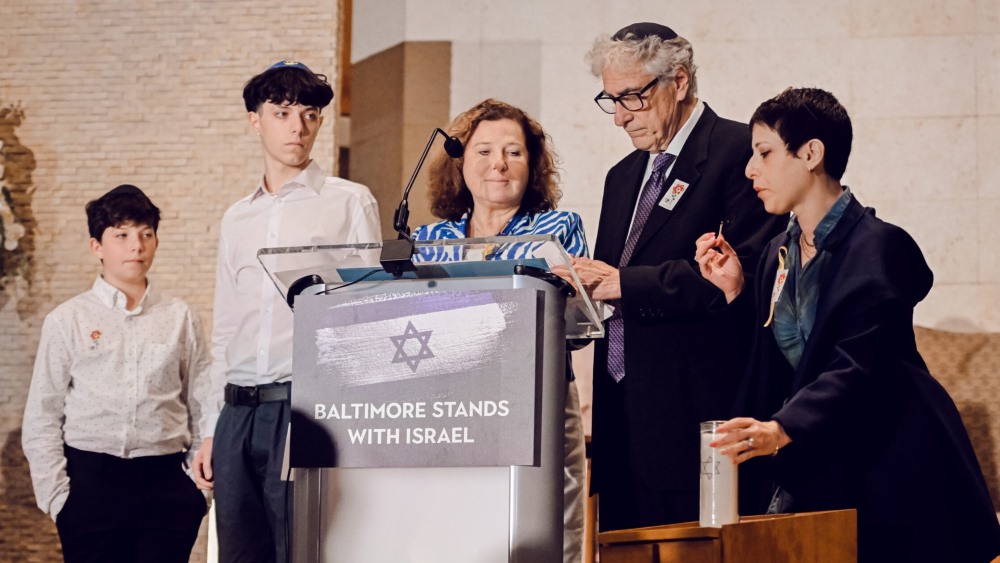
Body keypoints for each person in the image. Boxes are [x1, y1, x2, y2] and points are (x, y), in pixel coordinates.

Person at [697, 87, 1000, 563]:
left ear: (811, 153)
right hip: (820, 455)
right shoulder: (780, 252)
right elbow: (773, 364)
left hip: (893, 453)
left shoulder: (880, 247)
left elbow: (859, 363)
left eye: (764, 153)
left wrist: (781, 429)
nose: (750, 170)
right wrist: (737, 291)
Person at [576, 22, 785, 531]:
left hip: (698, 406)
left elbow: (745, 276)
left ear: (680, 81)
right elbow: (609, 281)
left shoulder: (741, 152)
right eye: (612, 99)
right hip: (621, 410)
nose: (621, 116)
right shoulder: (623, 175)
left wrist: (625, 283)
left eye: (633, 97)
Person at [191, 60, 381, 563]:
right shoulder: (238, 216)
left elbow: (365, 316)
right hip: (236, 415)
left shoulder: (349, 202)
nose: (297, 127)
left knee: (301, 551)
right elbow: (225, 324)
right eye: (281, 113)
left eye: (310, 114)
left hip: (304, 408)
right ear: (256, 120)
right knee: (237, 554)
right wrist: (211, 428)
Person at [410, 98, 588, 563]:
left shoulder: (559, 230)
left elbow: (579, 322)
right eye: (484, 151)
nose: (499, 164)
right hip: (453, 405)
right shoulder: (429, 241)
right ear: (461, 163)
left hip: (538, 397)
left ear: (532, 164)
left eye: (514, 151)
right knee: (462, 527)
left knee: (549, 525)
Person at [21, 185, 210, 563]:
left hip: (166, 486)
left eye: (146, 234)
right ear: (97, 246)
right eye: (121, 235)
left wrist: (195, 491)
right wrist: (59, 499)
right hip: (91, 485)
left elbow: (203, 399)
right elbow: (42, 414)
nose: (136, 246)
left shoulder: (180, 318)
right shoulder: (68, 320)